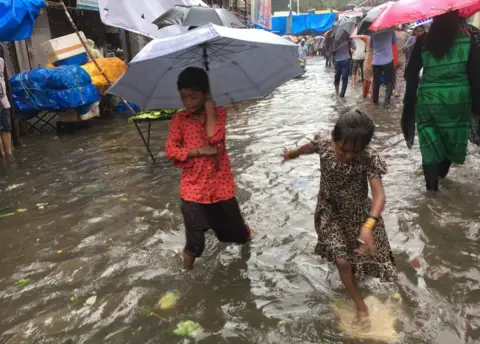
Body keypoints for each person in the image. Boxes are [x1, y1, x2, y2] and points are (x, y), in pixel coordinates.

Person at [282, 109, 396, 323]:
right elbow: (311, 146)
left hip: (359, 216)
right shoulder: (325, 143)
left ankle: (351, 279)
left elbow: (379, 195)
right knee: (342, 261)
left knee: (361, 258)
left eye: (355, 152)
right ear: (334, 138)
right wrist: (294, 153)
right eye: (343, 151)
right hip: (330, 212)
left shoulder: (368, 159)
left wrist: (369, 225)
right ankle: (360, 305)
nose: (348, 157)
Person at [165, 67, 251, 270]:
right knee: (195, 244)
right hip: (192, 190)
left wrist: (210, 108)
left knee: (239, 235)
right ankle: (185, 277)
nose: (188, 103)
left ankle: (249, 249)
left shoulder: (219, 113)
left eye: (193, 97)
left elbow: (214, 138)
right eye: (184, 97)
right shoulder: (179, 119)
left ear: (205, 93)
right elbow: (170, 150)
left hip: (220, 188)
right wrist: (197, 151)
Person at [402, 11, 480, 191]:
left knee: (429, 142)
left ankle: (431, 190)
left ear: (435, 20)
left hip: (428, 100)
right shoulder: (468, 40)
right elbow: (475, 76)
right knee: (450, 140)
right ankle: (442, 174)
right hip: (457, 100)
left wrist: (409, 103)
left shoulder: (423, 41)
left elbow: (411, 74)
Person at [370, 29, 397, 105]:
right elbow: (394, 42)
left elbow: (371, 46)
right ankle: (386, 102)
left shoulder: (372, 32)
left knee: (376, 82)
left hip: (376, 61)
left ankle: (375, 102)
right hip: (388, 60)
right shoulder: (391, 31)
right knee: (389, 81)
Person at [0, 44, 12, 157]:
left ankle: (6, 155)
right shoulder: (1, 61)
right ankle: (7, 155)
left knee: (6, 129)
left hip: (3, 101)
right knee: (6, 129)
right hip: (3, 101)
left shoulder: (1, 61)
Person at [394, 25, 409, 98]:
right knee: (399, 77)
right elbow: (407, 47)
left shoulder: (392, 33)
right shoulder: (406, 34)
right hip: (402, 58)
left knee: (392, 76)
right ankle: (397, 93)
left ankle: (390, 91)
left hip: (393, 58)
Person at [362, 37, 374, 101]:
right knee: (373, 80)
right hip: (376, 59)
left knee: (366, 80)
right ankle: (372, 99)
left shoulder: (367, 38)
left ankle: (364, 97)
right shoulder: (379, 37)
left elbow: (360, 37)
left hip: (368, 59)